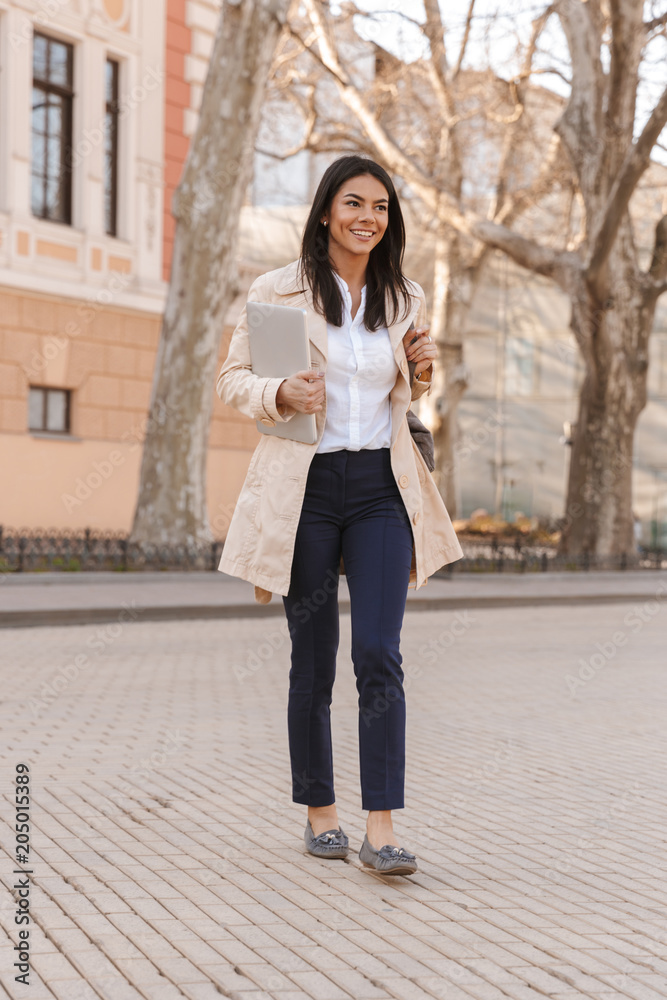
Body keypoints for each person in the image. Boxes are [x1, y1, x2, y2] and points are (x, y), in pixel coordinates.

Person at [216, 155, 463, 875]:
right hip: (307, 490)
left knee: (378, 653)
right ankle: (320, 815)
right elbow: (234, 379)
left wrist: (420, 370)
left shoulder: (404, 295)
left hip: (382, 488)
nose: (367, 218)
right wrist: (281, 394)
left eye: (380, 208)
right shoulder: (277, 289)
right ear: (325, 210)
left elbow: (407, 392)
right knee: (313, 659)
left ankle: (380, 829)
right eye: (353, 203)